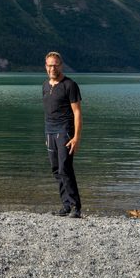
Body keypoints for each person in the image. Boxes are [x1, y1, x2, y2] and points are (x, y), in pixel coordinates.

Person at [43, 51, 82, 218]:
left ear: (61, 65)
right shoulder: (45, 85)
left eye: (55, 65)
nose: (53, 68)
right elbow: (48, 112)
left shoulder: (70, 85)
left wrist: (76, 137)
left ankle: (76, 207)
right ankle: (65, 205)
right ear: (46, 67)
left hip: (65, 131)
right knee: (56, 169)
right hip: (50, 132)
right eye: (50, 65)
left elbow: (77, 112)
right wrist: (46, 135)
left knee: (65, 168)